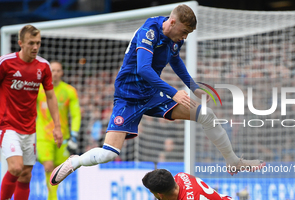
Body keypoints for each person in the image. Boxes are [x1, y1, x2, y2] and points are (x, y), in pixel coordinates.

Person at [50, 4, 264, 187]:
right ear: (171, 23)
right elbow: (143, 69)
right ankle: (75, 162)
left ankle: (233, 161)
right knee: (109, 153)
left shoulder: (175, 37)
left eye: (187, 34)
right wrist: (174, 93)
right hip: (128, 96)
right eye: (184, 32)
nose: (184, 37)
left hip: (152, 93)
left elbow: (175, 59)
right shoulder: (148, 32)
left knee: (206, 115)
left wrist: (193, 87)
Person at [0, 25, 63, 200]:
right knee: (16, 168)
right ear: (20, 43)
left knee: (26, 174)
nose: (35, 47)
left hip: (30, 129)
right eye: (31, 43)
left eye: (38, 43)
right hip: (7, 126)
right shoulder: (6, 63)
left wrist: (57, 126)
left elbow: (51, 96)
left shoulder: (43, 66)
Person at [36, 60, 81, 200]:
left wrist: (74, 134)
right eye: (52, 70)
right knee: (48, 167)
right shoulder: (38, 90)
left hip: (63, 136)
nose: (54, 73)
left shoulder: (69, 91)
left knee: (57, 171)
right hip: (43, 135)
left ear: (62, 73)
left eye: (57, 70)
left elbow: (76, 115)